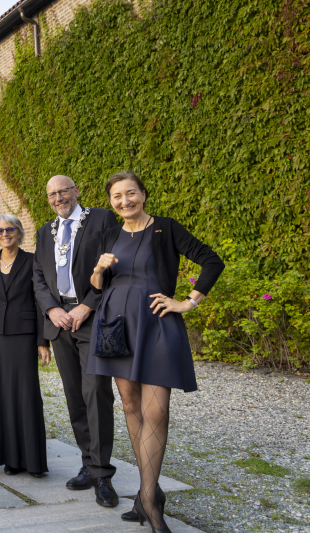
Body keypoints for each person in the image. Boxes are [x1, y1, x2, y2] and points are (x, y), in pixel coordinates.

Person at [88, 171, 223, 532]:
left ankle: (148, 498)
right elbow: (97, 285)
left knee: (157, 411)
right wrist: (99, 270)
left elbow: (212, 260)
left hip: (156, 324)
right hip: (117, 326)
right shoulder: (110, 234)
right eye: (117, 196)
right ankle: (149, 492)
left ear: (144, 195)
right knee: (130, 405)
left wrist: (187, 303)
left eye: (130, 194)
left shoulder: (165, 227)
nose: (124, 201)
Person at [32, 175, 120, 508]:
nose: (58, 198)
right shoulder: (44, 233)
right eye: (52, 194)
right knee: (74, 398)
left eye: (63, 192)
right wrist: (52, 310)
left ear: (76, 191)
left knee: (96, 392)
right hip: (60, 323)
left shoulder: (100, 219)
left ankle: (102, 475)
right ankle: (87, 462)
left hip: (92, 318)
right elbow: (38, 278)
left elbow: (113, 266)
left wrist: (88, 305)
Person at [0, 214, 51, 477]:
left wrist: (43, 342)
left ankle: (31, 460)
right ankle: (8, 457)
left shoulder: (33, 262)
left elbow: (41, 303)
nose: (4, 234)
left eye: (9, 229)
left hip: (24, 336)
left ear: (18, 233)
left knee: (26, 395)